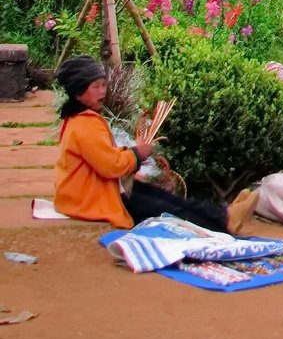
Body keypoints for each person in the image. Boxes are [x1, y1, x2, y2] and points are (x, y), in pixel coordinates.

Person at [52, 56, 257, 233]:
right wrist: (137, 154)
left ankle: (224, 215)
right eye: (95, 86)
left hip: (90, 193)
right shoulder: (84, 125)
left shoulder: (81, 120)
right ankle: (223, 221)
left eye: (103, 85)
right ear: (78, 93)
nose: (102, 91)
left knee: (160, 196)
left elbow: (103, 157)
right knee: (164, 208)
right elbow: (111, 165)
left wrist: (133, 158)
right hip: (89, 200)